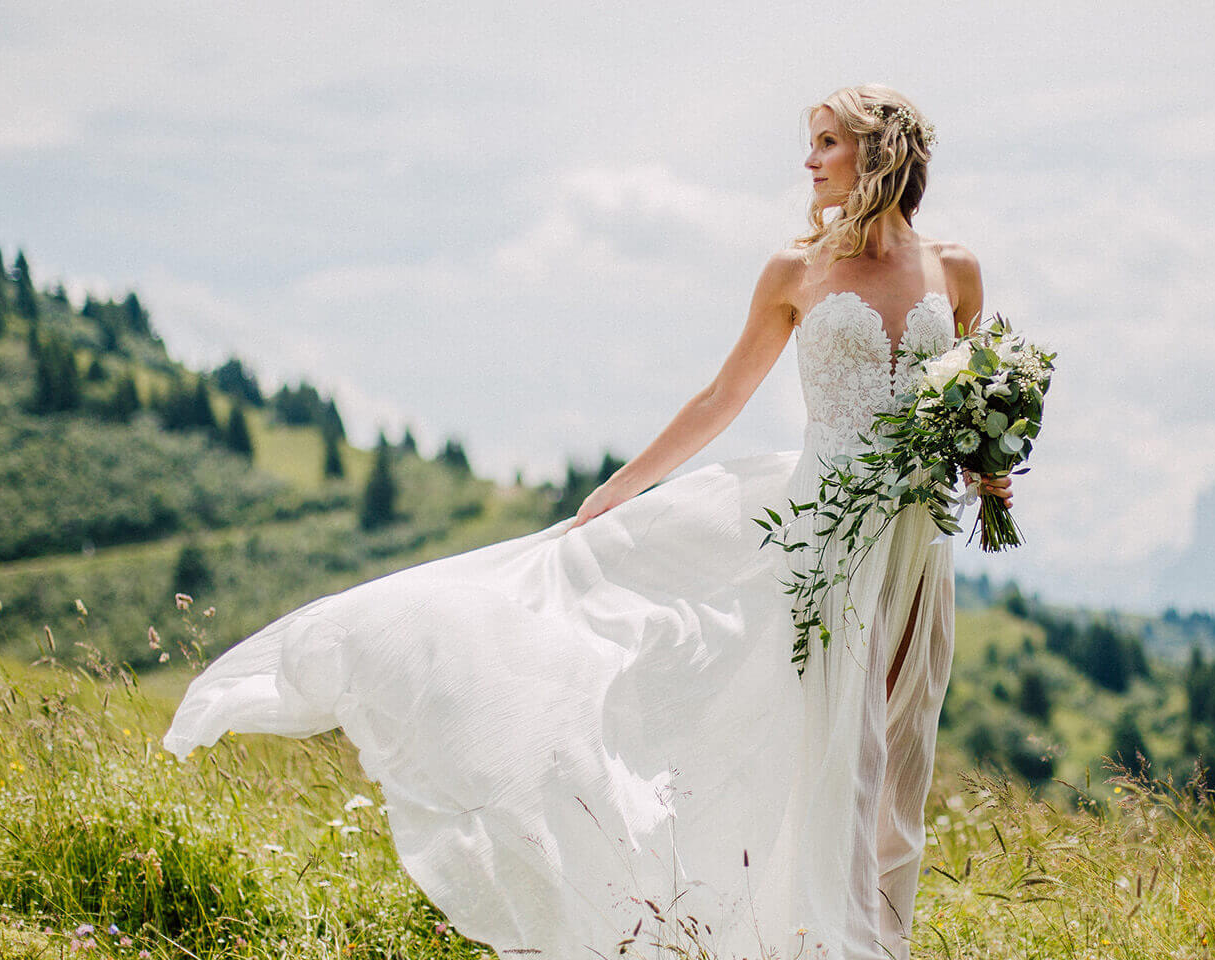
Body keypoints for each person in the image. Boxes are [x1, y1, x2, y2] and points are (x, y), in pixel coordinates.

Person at [162, 83, 1013, 960]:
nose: (808, 160)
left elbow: (969, 394)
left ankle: (879, 930)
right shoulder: (795, 272)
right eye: (812, 143)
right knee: (843, 742)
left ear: (877, 152)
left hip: (918, 536)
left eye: (827, 142)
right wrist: (625, 487)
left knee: (902, 740)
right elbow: (723, 396)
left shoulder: (956, 270)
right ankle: (830, 940)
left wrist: (991, 471)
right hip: (822, 534)